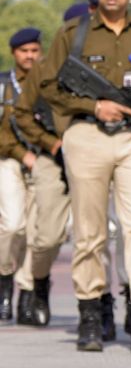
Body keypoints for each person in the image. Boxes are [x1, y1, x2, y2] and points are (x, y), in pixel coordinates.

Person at [22, 0, 131, 353]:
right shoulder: (73, 34)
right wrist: (94, 108)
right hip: (86, 137)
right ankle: (90, 313)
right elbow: (48, 86)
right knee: (89, 232)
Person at [1, 28, 47, 324]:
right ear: (14, 53)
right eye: (23, 51)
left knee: (38, 232)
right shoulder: (3, 85)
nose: (29, 55)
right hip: (8, 159)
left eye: (34, 50)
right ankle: (4, 282)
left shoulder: (49, 84)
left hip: (44, 162)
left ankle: (28, 295)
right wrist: (22, 154)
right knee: (13, 225)